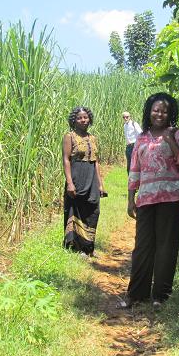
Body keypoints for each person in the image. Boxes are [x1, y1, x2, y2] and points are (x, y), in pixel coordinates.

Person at [117, 92, 179, 309]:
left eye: (164, 111)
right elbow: (135, 169)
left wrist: (170, 140)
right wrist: (131, 199)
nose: (160, 114)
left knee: (166, 245)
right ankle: (136, 294)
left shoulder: (178, 134)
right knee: (142, 246)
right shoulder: (142, 137)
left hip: (173, 198)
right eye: (156, 110)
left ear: (171, 113)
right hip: (146, 198)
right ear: (149, 112)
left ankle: (161, 295)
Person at [62, 106, 105, 257]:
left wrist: (100, 183)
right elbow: (66, 160)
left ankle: (89, 247)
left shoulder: (92, 138)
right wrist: (70, 183)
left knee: (93, 209)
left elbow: (96, 162)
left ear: (89, 119)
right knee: (77, 209)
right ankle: (77, 247)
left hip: (91, 176)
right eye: (79, 118)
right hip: (76, 175)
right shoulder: (69, 136)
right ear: (74, 120)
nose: (83, 120)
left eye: (85, 117)